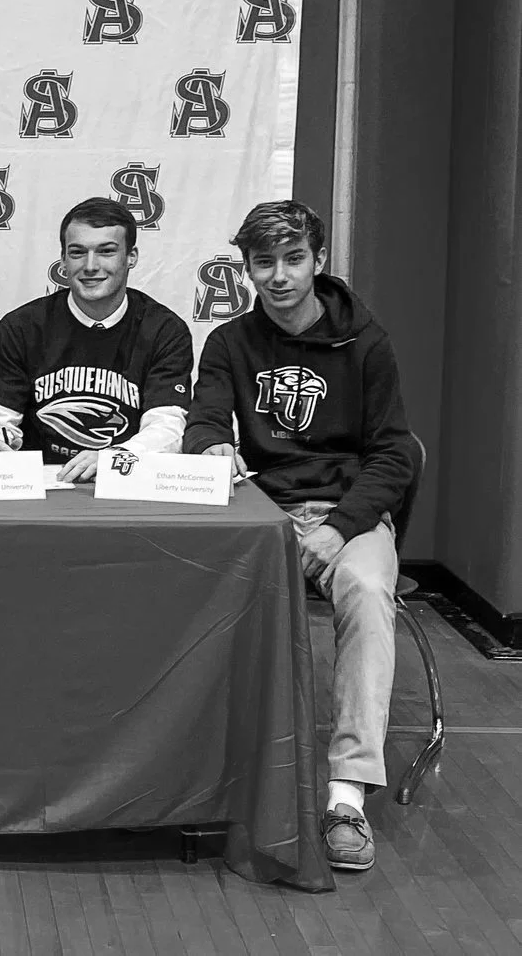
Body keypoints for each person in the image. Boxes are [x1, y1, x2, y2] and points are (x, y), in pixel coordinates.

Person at [184, 199, 414, 872]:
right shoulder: (228, 341)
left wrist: (339, 528)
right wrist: (207, 451)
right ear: (247, 267)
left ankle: (345, 794)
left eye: (292, 259)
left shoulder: (365, 342)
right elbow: (203, 420)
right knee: (198, 591)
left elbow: (393, 455)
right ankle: (212, 776)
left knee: (370, 592)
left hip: (348, 511)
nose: (278, 275)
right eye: (264, 262)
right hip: (262, 508)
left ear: (317, 260)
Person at [0, 197, 193, 479]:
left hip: (123, 480)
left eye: (106, 251)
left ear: (131, 257)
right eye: (77, 252)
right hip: (41, 483)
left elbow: (167, 426)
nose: (90, 266)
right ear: (62, 259)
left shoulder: (164, 330)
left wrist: (114, 458)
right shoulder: (22, 327)